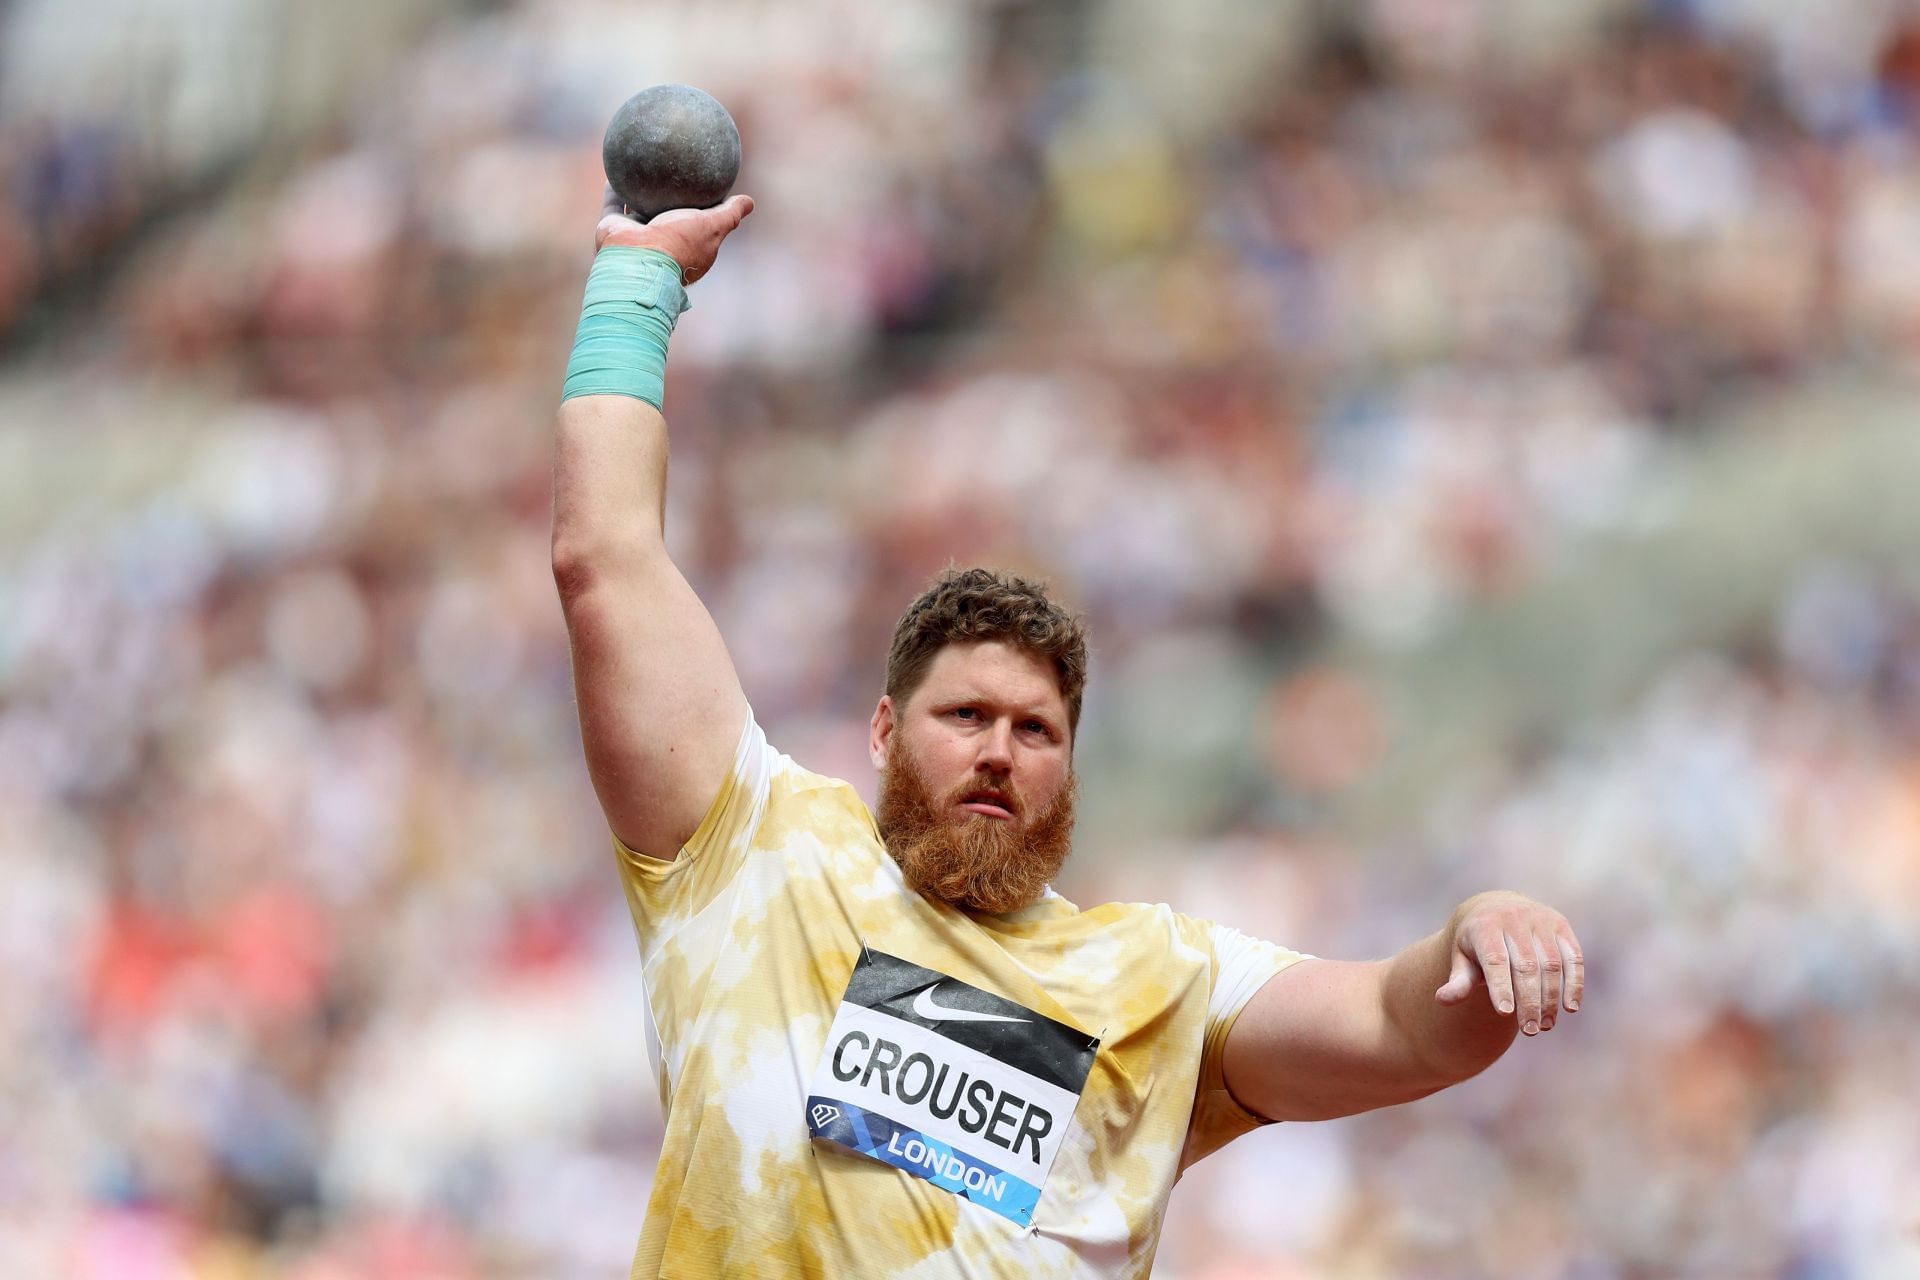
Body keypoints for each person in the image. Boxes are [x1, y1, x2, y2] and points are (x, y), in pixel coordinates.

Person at [550, 187, 1585, 1279]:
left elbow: (1408, 1023)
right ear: (886, 729)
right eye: (965, 716)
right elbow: (604, 560)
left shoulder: (1153, 981)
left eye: (1036, 729)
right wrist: (635, 279)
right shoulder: (754, 847)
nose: (1000, 749)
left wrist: (1481, 922)